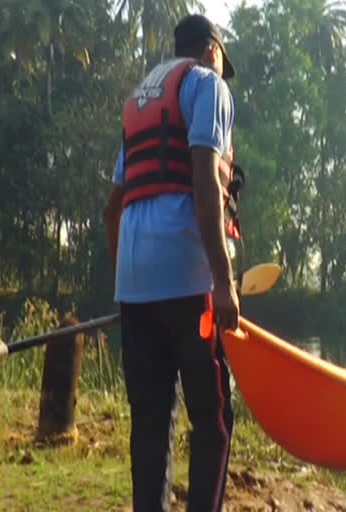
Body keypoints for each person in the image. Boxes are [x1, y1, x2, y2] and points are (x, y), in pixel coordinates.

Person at [103, 14, 240, 512]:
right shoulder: (207, 85)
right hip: (187, 278)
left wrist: (127, 287)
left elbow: (111, 209)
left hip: (135, 286)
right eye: (225, 62)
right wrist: (223, 283)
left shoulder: (140, 98)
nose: (224, 74)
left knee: (151, 424)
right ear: (210, 51)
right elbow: (206, 178)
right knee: (213, 420)